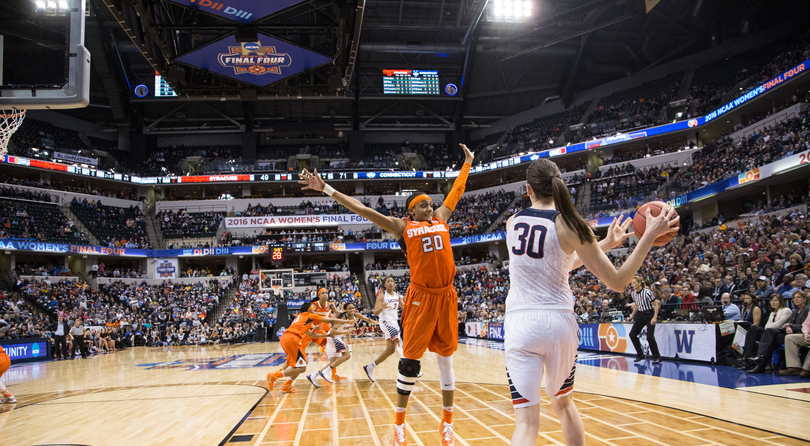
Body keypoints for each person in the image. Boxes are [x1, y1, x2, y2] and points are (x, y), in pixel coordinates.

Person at [298, 143, 476, 446]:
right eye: (423, 205)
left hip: (447, 296)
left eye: (430, 203)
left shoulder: (442, 219)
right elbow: (361, 209)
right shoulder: (401, 226)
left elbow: (456, 192)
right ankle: (398, 424)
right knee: (410, 362)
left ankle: (447, 422)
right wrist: (325, 188)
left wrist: (468, 163)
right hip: (421, 297)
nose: (430, 207)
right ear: (411, 211)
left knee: (446, 361)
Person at [503, 159, 678, 446]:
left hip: (520, 325)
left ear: (528, 189)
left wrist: (603, 245)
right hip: (558, 323)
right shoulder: (573, 225)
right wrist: (647, 236)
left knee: (525, 423)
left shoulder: (512, 223)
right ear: (559, 183)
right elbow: (619, 281)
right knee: (564, 404)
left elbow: (556, 262)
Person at [266, 302, 351, 393]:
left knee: (298, 365)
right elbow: (331, 321)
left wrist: (326, 334)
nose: (316, 312)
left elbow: (311, 334)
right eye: (314, 310)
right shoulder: (310, 315)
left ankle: (287, 385)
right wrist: (347, 321)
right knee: (302, 368)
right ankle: (274, 376)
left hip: (285, 338)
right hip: (293, 339)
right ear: (309, 310)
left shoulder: (301, 318)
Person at [747, 290, 808, 373]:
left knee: (770, 337)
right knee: (762, 332)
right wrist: (788, 326)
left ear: (804, 299)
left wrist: (790, 326)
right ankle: (759, 360)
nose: (796, 299)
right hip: (788, 333)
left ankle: (761, 361)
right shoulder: (794, 312)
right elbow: (786, 324)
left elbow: (804, 325)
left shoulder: (806, 310)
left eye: (798, 297)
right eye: (794, 298)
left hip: (800, 334)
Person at [363, 276, 405, 382]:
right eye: (388, 281)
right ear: (385, 284)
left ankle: (370, 367)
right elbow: (375, 313)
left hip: (394, 323)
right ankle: (409, 369)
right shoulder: (382, 296)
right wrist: (382, 307)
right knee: (401, 342)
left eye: (392, 281)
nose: (390, 283)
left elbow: (406, 308)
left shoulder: (397, 296)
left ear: (394, 283)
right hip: (385, 322)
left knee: (390, 350)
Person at [628, 276, 662, 363]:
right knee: (632, 334)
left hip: (649, 314)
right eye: (632, 283)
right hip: (640, 314)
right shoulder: (633, 294)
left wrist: (654, 317)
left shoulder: (647, 292)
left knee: (650, 336)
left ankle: (657, 356)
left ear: (639, 283)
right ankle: (640, 354)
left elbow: (655, 305)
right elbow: (636, 305)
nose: (632, 285)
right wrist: (632, 316)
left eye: (634, 283)